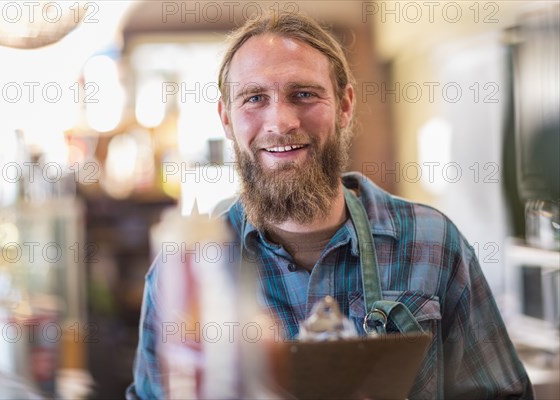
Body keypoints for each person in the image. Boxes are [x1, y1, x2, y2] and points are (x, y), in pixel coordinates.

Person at [127, 12, 533, 399]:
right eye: (254, 98)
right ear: (226, 119)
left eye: (303, 94)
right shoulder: (187, 273)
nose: (280, 122)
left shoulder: (434, 242)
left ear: (345, 105)